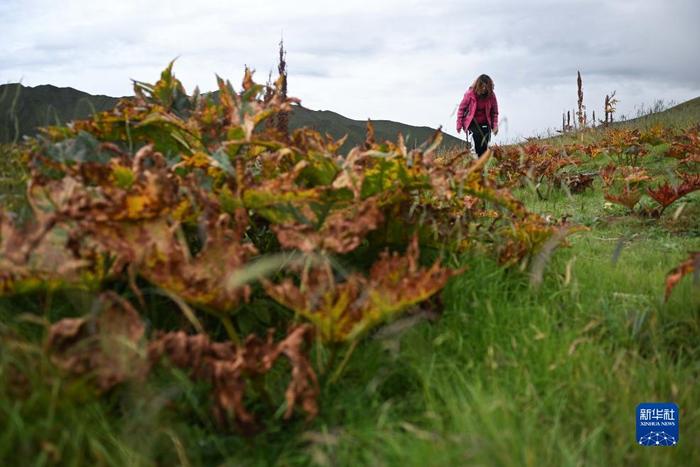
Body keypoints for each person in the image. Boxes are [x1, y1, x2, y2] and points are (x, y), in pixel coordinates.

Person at [456, 74, 499, 157]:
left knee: (484, 148)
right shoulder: (469, 94)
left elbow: (494, 112)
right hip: (472, 124)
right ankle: (475, 165)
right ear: (478, 85)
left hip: (486, 124)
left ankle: (482, 165)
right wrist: (459, 124)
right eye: (482, 86)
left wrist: (495, 126)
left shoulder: (491, 96)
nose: (484, 89)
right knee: (475, 147)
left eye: (486, 87)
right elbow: (461, 109)